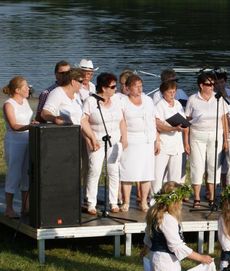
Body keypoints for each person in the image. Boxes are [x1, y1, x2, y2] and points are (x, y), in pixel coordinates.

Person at [80, 72, 127, 215]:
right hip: (98, 141)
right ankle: (91, 203)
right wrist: (91, 139)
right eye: (112, 87)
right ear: (103, 88)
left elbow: (121, 120)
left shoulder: (117, 100)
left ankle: (113, 202)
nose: (115, 89)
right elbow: (83, 121)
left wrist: (124, 137)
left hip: (115, 140)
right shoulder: (91, 101)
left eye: (115, 86)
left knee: (114, 171)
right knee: (95, 170)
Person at [184, 72, 229, 207]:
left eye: (213, 84)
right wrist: (186, 141)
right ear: (201, 85)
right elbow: (187, 120)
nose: (211, 87)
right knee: (197, 166)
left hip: (215, 135)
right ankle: (197, 198)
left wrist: (226, 139)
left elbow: (224, 120)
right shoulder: (193, 99)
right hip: (197, 135)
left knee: (213, 166)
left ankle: (212, 197)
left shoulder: (219, 99)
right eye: (208, 85)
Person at [119, 74, 158, 212]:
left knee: (146, 172)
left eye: (141, 86)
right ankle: (126, 201)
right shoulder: (122, 101)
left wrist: (156, 140)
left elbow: (153, 120)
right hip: (130, 140)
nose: (139, 89)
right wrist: (123, 138)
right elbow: (121, 120)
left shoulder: (148, 100)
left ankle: (143, 202)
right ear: (128, 88)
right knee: (128, 171)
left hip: (146, 140)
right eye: (136, 86)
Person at [2, 76, 35, 218]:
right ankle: (9, 208)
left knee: (27, 173)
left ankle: (25, 207)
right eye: (26, 87)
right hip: (15, 142)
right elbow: (14, 125)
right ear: (17, 90)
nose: (29, 89)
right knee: (14, 174)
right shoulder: (8, 104)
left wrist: (32, 123)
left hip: (28, 140)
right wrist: (29, 126)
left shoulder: (26, 101)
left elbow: (27, 119)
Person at [152, 80, 188, 195]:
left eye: (174, 92)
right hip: (164, 144)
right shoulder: (159, 105)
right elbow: (158, 125)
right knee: (158, 175)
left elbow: (184, 121)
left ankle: (173, 199)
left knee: (175, 177)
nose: (172, 94)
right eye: (170, 92)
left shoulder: (177, 104)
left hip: (177, 145)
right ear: (163, 93)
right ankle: (154, 199)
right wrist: (173, 128)